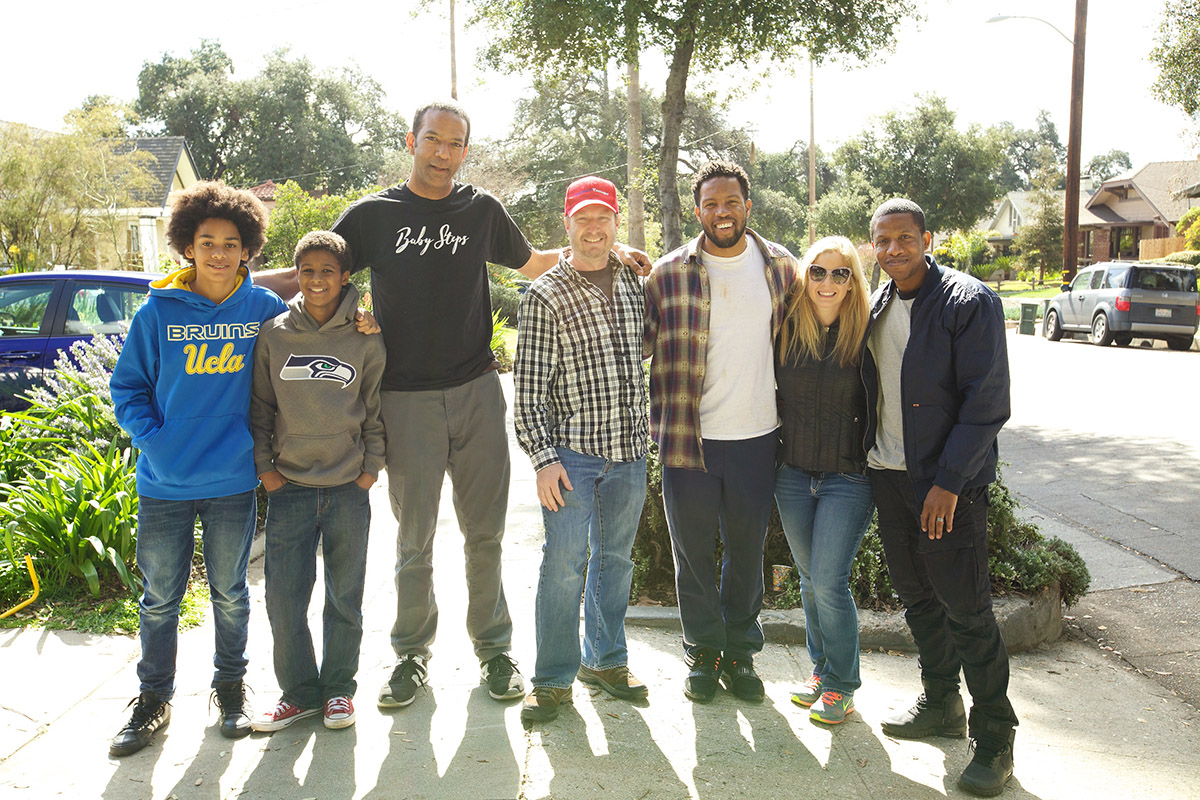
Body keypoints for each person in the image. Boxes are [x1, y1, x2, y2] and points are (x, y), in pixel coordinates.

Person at [330, 100, 651, 709]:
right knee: (414, 538)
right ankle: (409, 655)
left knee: (486, 534)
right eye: (433, 141)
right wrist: (332, 309)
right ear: (412, 142)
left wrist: (617, 252)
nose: (444, 153)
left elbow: (536, 262)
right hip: (405, 397)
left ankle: (495, 652)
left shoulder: (479, 210)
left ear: (465, 150)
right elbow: (318, 272)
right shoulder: (372, 215)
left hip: (477, 389)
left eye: (455, 144)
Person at [108, 181, 287, 756]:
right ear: (188, 245)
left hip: (233, 479)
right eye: (206, 241)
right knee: (160, 597)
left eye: (230, 242)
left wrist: (358, 321)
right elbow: (128, 387)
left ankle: (230, 688)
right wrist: (154, 442)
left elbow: (305, 346)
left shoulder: (263, 310)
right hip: (164, 482)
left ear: (247, 249)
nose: (218, 252)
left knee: (231, 592)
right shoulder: (157, 311)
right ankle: (153, 697)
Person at [865, 198, 1018, 797]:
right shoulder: (878, 302)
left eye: (905, 238)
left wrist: (949, 484)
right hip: (888, 476)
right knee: (919, 601)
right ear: (872, 246)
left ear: (927, 239)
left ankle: (995, 739)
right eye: (882, 241)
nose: (893, 250)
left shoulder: (968, 302)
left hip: (945, 487)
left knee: (967, 610)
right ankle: (941, 705)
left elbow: (987, 405)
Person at [644, 160, 796, 703]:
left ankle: (740, 654)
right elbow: (632, 343)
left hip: (758, 436)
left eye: (731, 202)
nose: (722, 212)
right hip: (688, 439)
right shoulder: (666, 275)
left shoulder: (782, 268)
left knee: (746, 550)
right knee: (692, 554)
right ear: (697, 209)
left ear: (747, 206)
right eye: (711, 203)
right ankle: (703, 651)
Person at [513, 177, 650, 724]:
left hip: (630, 452)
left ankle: (606, 660)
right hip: (572, 457)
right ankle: (550, 680)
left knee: (615, 562)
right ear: (566, 224)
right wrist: (543, 459)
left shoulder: (637, 282)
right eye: (583, 219)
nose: (594, 229)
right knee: (565, 565)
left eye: (604, 219)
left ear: (616, 223)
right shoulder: (547, 293)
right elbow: (527, 392)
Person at [248, 231, 386, 733]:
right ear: (297, 274)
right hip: (291, 486)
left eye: (327, 270)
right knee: (284, 598)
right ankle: (298, 693)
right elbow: (261, 407)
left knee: (344, 597)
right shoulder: (276, 334)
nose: (317, 280)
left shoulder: (366, 336)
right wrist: (267, 470)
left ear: (345, 276)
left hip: (350, 486)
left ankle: (338, 693)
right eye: (307, 271)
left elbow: (374, 410)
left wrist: (371, 471)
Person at [774, 236, 875, 725]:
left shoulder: (869, 334)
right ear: (804, 276)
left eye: (841, 273)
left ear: (853, 279)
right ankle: (821, 667)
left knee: (830, 582)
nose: (828, 282)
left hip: (848, 478)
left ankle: (842, 683)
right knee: (811, 581)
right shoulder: (786, 329)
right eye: (818, 271)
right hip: (791, 476)